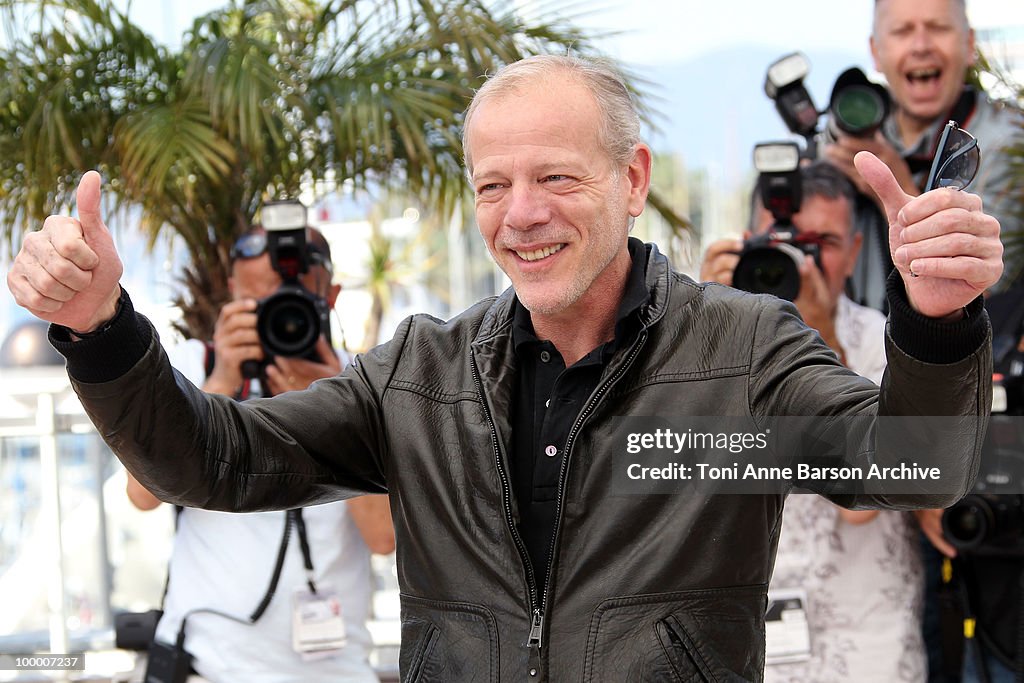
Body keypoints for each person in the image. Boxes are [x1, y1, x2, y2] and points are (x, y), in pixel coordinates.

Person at [6, 54, 1003, 681]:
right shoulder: (420, 370)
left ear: (632, 178)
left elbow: (914, 466)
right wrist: (101, 329)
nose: (520, 213)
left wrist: (937, 321)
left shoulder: (742, 346)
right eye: (493, 184)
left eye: (555, 177)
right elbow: (210, 460)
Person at [125, 227, 395, 683]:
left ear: (329, 296)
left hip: (333, 671)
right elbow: (142, 493)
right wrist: (219, 385)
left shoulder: (366, 384)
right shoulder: (191, 370)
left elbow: (384, 537)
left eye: (288, 302)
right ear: (231, 292)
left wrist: (329, 407)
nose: (276, 320)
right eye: (256, 303)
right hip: (207, 666)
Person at [701, 161, 925, 682]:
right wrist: (703, 327)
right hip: (745, 644)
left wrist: (822, 344)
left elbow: (865, 500)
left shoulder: (891, 347)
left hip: (867, 648)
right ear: (749, 241)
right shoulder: (709, 338)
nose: (804, 263)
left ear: (855, 250)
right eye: (785, 241)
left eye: (820, 242)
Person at [823, 0, 1023, 310]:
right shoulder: (849, 138)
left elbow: (983, 286)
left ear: (969, 44)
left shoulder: (1011, 141)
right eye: (902, 31)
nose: (921, 46)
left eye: (938, 28)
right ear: (876, 52)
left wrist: (895, 187)